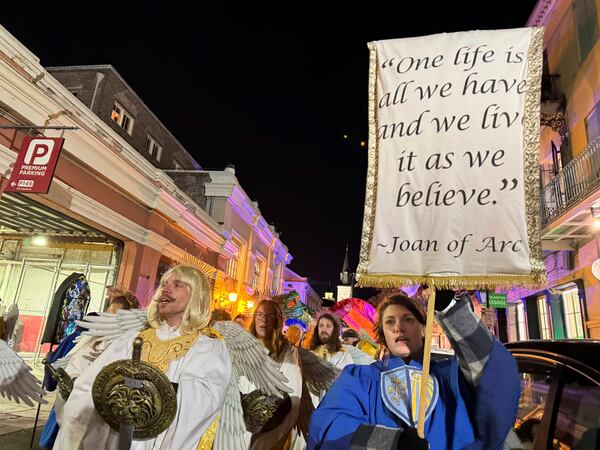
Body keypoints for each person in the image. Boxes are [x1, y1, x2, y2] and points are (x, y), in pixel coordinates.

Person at [308, 290, 520, 450]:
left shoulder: (453, 377)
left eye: (408, 319)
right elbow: (328, 427)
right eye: (390, 322)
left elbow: (496, 372)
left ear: (423, 328)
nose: (398, 328)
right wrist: (391, 442)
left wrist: (451, 310)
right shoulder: (361, 379)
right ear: (383, 336)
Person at [54, 265, 232, 450]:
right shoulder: (132, 339)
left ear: (196, 297)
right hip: (116, 439)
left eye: (177, 285)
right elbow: (90, 384)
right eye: (164, 284)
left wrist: (146, 392)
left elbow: (204, 400)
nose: (166, 289)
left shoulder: (208, 348)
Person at [240, 298, 302, 450]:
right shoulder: (241, 347)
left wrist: (272, 436)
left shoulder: (287, 352)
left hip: (269, 429)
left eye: (269, 315)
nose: (263, 319)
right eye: (260, 314)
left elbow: (293, 397)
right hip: (237, 426)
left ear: (277, 320)